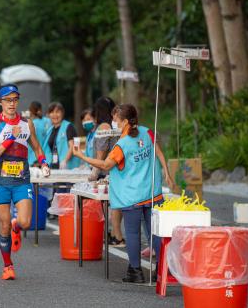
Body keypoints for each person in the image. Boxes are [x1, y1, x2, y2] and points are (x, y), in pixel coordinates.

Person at [73, 104, 174, 283]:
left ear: (125, 121)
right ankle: (162, 269)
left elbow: (105, 165)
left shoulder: (122, 145)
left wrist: (81, 156)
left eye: (115, 120)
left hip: (131, 196)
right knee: (155, 232)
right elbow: (158, 152)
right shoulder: (147, 132)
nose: (113, 123)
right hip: (152, 192)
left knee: (133, 234)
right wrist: (167, 173)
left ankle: (135, 271)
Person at [0, 84, 50, 280]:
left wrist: (44, 163)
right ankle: (8, 266)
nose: (12, 104)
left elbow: (37, 147)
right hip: (0, 180)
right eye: (7, 100)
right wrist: (8, 139)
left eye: (14, 100)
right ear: (0, 102)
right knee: (3, 223)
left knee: (25, 222)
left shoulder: (27, 124)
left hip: (22, 179)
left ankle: (17, 227)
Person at [92, 96, 126, 248]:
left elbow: (101, 154)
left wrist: (94, 173)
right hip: (115, 169)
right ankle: (114, 235)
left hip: (107, 170)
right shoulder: (114, 127)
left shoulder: (104, 127)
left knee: (112, 204)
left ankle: (116, 235)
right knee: (115, 204)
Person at [43, 102, 80, 170]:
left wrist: (65, 161)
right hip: (53, 167)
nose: (54, 115)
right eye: (52, 112)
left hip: (68, 167)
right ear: (49, 115)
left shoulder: (69, 126)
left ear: (62, 113)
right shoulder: (49, 130)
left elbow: (73, 146)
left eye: (57, 112)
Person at [27, 101, 52, 166]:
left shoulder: (31, 124)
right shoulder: (49, 121)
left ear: (31, 111)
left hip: (33, 158)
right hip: (48, 157)